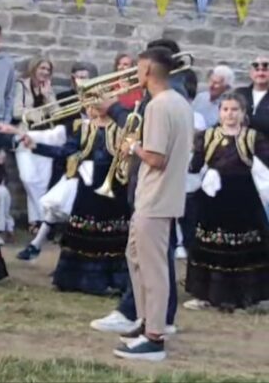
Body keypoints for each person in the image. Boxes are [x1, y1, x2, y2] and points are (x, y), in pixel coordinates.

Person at [113, 47, 193, 362]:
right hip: (158, 196)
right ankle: (146, 321)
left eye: (137, 68)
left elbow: (157, 158)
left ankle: (154, 337)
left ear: (147, 70)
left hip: (155, 196)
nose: (135, 74)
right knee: (135, 257)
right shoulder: (179, 102)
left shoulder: (159, 106)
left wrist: (133, 146)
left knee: (153, 268)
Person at [15, 103, 131, 295]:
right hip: (88, 188)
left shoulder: (122, 127)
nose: (94, 108)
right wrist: (36, 147)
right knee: (83, 230)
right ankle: (79, 280)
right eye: (91, 104)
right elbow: (66, 151)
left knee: (112, 233)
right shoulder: (83, 128)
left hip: (114, 190)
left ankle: (113, 281)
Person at [185, 93, 269, 311]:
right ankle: (205, 294)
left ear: (243, 113)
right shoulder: (207, 136)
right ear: (219, 112)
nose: (229, 114)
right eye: (225, 109)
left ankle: (247, 296)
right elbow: (194, 166)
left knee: (246, 245)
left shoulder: (253, 137)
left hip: (243, 197)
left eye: (234, 110)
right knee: (207, 243)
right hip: (214, 197)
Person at [13, 56, 57, 231]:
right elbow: (16, 111)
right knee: (28, 178)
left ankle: (35, 222)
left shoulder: (49, 89)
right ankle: (45, 218)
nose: (45, 72)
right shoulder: (22, 85)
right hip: (26, 135)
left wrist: (47, 97)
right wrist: (37, 114)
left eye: (48, 70)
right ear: (34, 68)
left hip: (46, 137)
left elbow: (57, 113)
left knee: (43, 181)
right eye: (42, 68)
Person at [236, 55, 269, 134]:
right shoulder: (239, 94)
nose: (260, 73)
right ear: (251, 73)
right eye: (257, 70)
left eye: (265, 70)